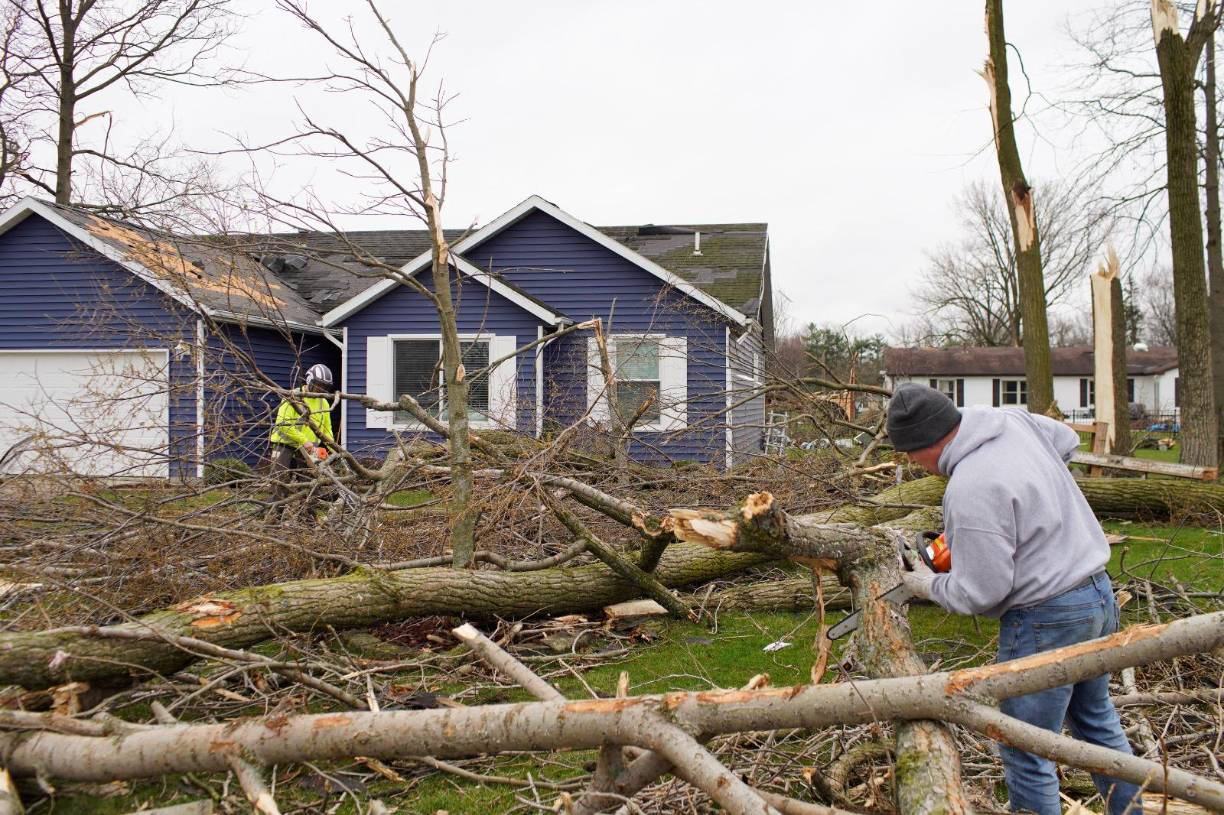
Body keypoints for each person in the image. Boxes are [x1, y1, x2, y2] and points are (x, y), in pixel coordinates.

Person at [886, 382, 1142, 815]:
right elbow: (1064, 439)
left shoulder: (971, 487)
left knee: (1026, 748)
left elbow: (981, 591)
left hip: (1047, 617)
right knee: (1097, 724)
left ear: (924, 443)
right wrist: (1029, 502)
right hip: (1098, 594)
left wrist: (924, 585)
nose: (911, 462)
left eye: (910, 453)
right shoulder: (1009, 420)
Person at [269, 363, 335, 515]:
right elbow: (282, 425)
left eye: (324, 387)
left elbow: (327, 430)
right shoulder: (292, 397)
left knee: (311, 485)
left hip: (310, 449)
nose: (320, 389)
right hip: (285, 445)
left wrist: (335, 450)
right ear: (309, 381)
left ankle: (307, 519)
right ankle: (273, 519)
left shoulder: (323, 402)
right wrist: (303, 441)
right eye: (318, 385)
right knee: (280, 485)